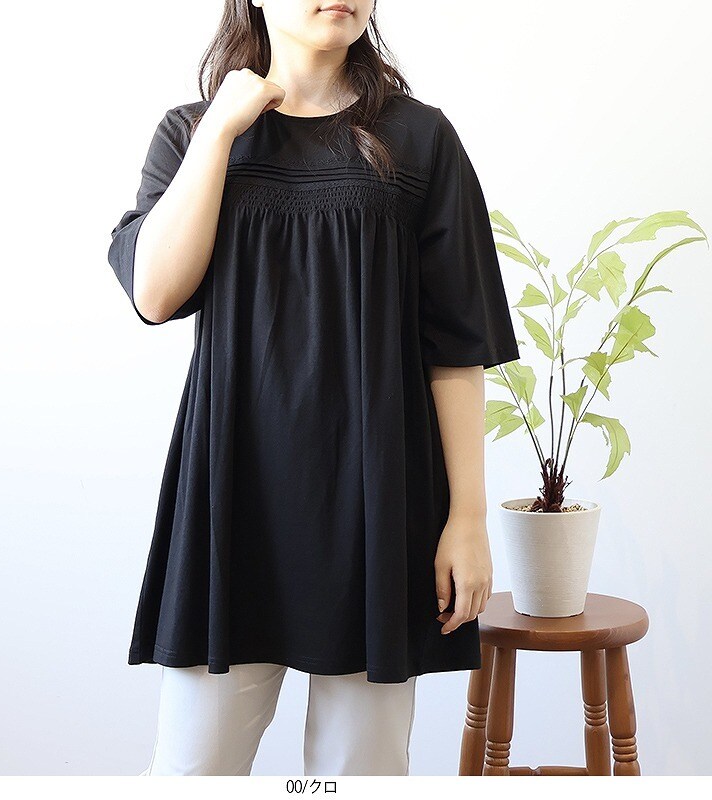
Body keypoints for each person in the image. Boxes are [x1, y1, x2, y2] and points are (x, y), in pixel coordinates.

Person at [107, 0, 520, 777]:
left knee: (358, 774)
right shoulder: (195, 131)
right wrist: (221, 132)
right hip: (232, 498)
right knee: (192, 773)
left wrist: (467, 519)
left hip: (378, 503)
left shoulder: (421, 138)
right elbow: (155, 293)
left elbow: (456, 349)